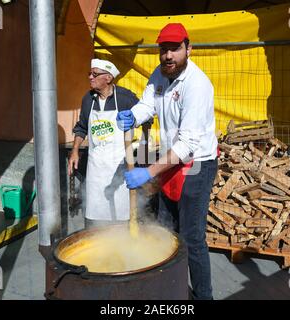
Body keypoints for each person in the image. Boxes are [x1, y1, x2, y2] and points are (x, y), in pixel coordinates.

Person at [116, 23, 218, 300]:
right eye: (163, 50)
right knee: (164, 231)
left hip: (196, 163)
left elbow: (187, 146)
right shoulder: (159, 75)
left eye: (175, 49)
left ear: (189, 49)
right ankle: (169, 289)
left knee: (192, 238)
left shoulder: (197, 86)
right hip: (171, 160)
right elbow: (148, 105)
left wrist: (147, 172)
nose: (168, 56)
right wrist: (133, 116)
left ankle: (202, 297)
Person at [69, 58, 139, 229]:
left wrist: (142, 155)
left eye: (95, 74)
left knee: (120, 214)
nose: (90, 77)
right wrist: (75, 150)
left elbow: (146, 119)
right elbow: (82, 127)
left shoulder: (125, 98)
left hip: (119, 166)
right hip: (96, 168)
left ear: (108, 78)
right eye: (90, 74)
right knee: (94, 215)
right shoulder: (88, 99)